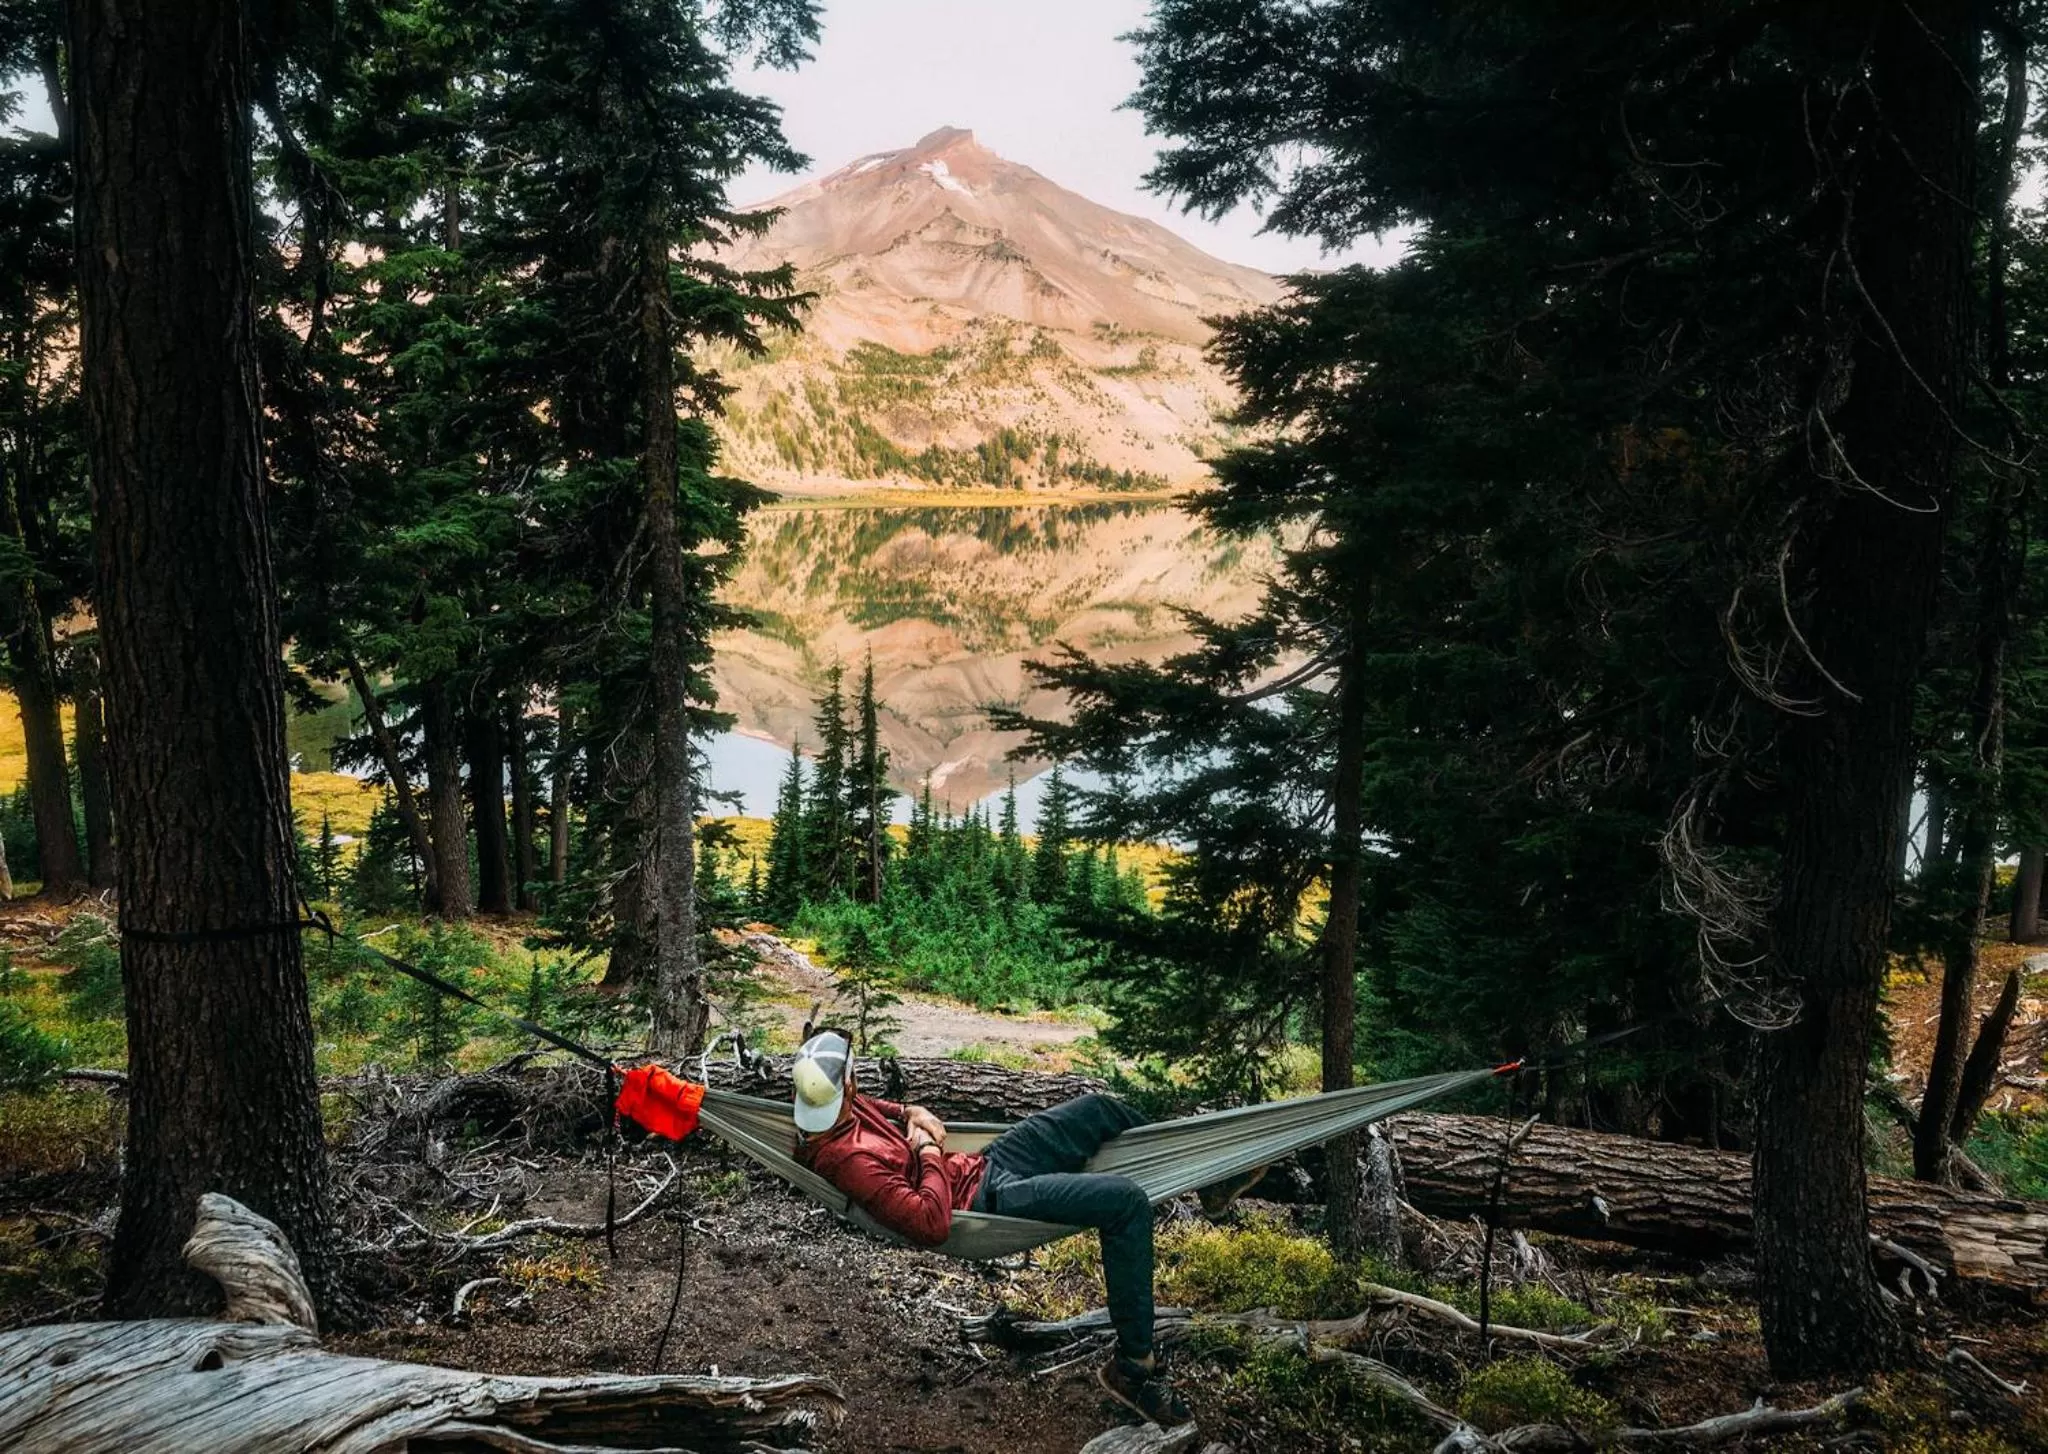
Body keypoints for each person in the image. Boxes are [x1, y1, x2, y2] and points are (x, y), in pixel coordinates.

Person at [790, 1029, 1230, 1426]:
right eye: (853, 1075)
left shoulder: (833, 1110)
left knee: (1098, 1109)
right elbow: (930, 1223)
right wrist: (925, 1151)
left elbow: (875, 1107)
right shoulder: (848, 1160)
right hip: (984, 1202)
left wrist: (910, 1110)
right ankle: (1133, 1369)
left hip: (986, 1164)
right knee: (1126, 1203)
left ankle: (1214, 1178)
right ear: (846, 1083)